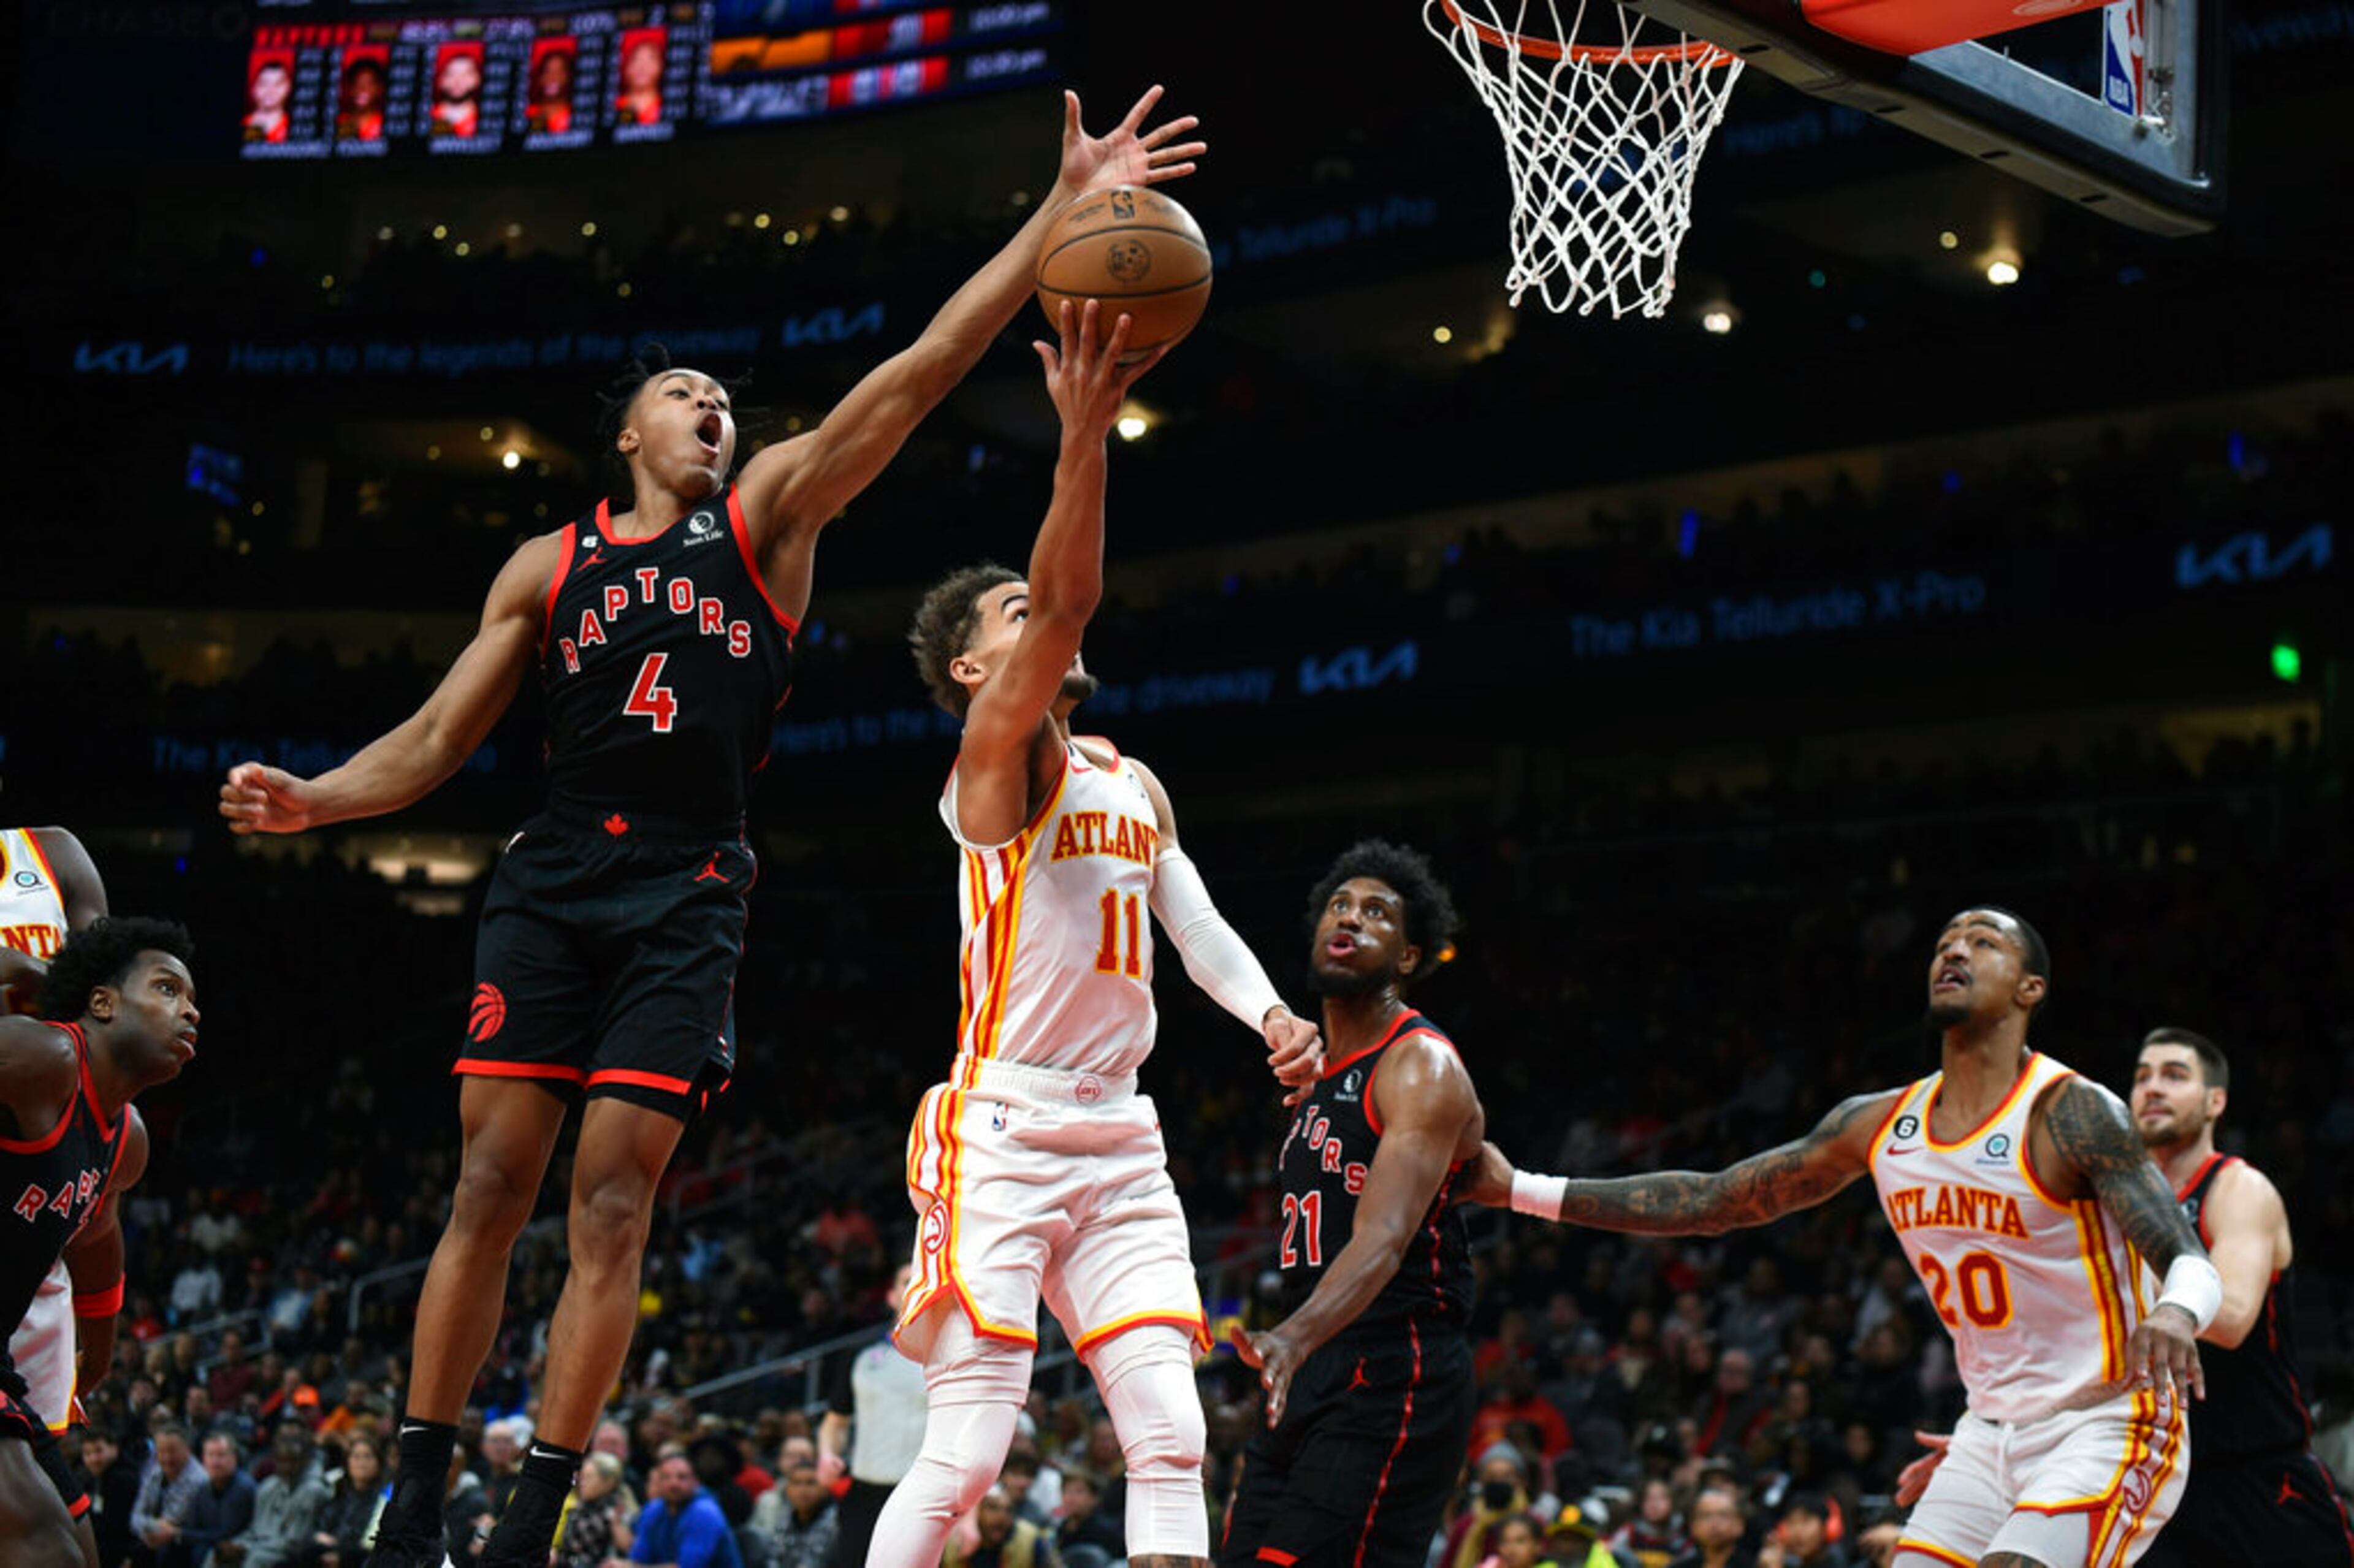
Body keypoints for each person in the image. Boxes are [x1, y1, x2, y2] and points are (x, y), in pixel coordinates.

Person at [218, 83, 1206, 1568]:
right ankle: (415, 1482)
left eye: (723, 400)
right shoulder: (543, 565)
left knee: (611, 1197)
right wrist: (320, 795)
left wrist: (1056, 215)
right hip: (556, 867)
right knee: (490, 1178)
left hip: (690, 882)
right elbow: (432, 741)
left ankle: (530, 1509)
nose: (713, 411)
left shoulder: (765, 521)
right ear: (625, 427)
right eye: (686, 395)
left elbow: (925, 367)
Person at [880, 294, 1320, 1568]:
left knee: (1174, 1435)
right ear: (972, 671)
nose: (1045, 620)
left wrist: (1273, 1015)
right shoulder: (991, 767)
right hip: (1005, 1126)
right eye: (1011, 617)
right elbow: (1073, 597)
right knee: (969, 1449)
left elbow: (1193, 922)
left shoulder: (1134, 779)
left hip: (1121, 1129)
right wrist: (1084, 434)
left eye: (1036, 607)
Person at [1470, 907, 2219, 1568]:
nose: (1953, 951)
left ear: (2031, 990)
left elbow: (2188, 1256)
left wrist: (2177, 1311)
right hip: (1986, 1435)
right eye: (1944, 942)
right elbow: (1716, 1198)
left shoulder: (2073, 1110)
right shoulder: (1880, 1123)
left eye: (1983, 941)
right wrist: (1518, 1190)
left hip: (2110, 1420)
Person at [1899, 1028, 2354, 1568]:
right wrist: (2008, 1446)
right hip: (2146, 1470)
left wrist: (2133, 1283)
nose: (2152, 1088)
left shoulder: (2237, 1189)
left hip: (2255, 1477)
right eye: (2142, 1078)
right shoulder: (2105, 1207)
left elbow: (2230, 1319)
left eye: (2174, 1076)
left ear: (2216, 1102)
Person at [1222, 842, 1486, 1568]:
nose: (1351, 917)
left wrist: (1291, 1335)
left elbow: (1385, 1236)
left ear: (1407, 955)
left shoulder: (1419, 1063)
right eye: (1339, 905)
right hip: (1315, 1368)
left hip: (1395, 1362)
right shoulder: (1319, 1073)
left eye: (1376, 912)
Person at [5, 918, 198, 1568]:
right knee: (39, 1542)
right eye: (168, 988)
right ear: (102, 1002)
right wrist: (20, 966)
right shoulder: (44, 1058)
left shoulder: (126, 1140)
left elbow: (96, 1240)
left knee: (80, 1545)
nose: (190, 1009)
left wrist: (100, 1354)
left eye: (193, 998)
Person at [1, 824, 112, 1448]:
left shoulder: (54, 853)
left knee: (40, 1464)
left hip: (37, 1158)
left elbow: (111, 999)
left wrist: (26, 973)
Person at [817, 1267, 926, 1568]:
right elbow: (835, 1423)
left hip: (922, 1498)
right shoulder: (859, 1357)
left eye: (924, 1277)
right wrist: (827, 1454)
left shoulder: (952, 1359)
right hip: (862, 1494)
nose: (917, 1285)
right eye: (907, 1281)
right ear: (891, 1297)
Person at [633, 1453, 742, 1568]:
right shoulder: (653, 1510)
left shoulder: (704, 1513)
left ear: (696, 1482)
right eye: (666, 1477)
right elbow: (639, 1559)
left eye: (682, 1477)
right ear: (658, 1483)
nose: (674, 1484)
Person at [302, 1431, 386, 1568]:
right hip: (325, 1552)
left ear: (379, 1463)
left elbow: (371, 1545)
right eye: (356, 1457)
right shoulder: (337, 1491)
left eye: (368, 1457)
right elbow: (318, 1529)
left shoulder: (383, 1498)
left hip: (359, 1559)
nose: (362, 1463)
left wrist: (340, 1553)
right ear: (347, 1463)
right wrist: (320, 1538)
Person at [552, 1451, 629, 1568]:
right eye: (582, 1478)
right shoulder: (581, 1506)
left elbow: (625, 1549)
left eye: (589, 1477)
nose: (582, 1483)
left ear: (608, 1482)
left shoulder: (617, 1511)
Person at [950, 1488, 1059, 1568]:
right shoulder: (950, 1543)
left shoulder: (1029, 1540)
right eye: (993, 1507)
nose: (1002, 1516)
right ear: (977, 1512)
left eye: (1008, 1510)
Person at [761, 1459, 834, 1568]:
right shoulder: (783, 1520)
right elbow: (773, 1560)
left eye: (811, 1483)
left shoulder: (837, 1526)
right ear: (787, 1489)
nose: (803, 1490)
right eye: (797, 1483)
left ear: (825, 1488)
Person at [1666, 1488, 1756, 1568]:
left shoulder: (1755, 1564)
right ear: (1693, 1527)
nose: (1714, 1524)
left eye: (1723, 1515)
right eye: (1705, 1516)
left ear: (1739, 1524)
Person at [429, 48, 481, 138]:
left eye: (465, 75)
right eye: (451, 74)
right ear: (440, 80)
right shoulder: (429, 116)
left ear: (477, 79)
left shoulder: (486, 120)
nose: (458, 81)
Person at [616, 33, 666, 124]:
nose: (642, 67)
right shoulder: (614, 107)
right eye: (636, 59)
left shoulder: (668, 107)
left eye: (650, 59)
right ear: (626, 68)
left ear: (661, 66)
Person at [245, 58, 292, 143]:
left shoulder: (296, 127)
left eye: (278, 84)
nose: (270, 91)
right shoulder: (245, 125)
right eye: (264, 84)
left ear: (288, 88)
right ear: (253, 89)